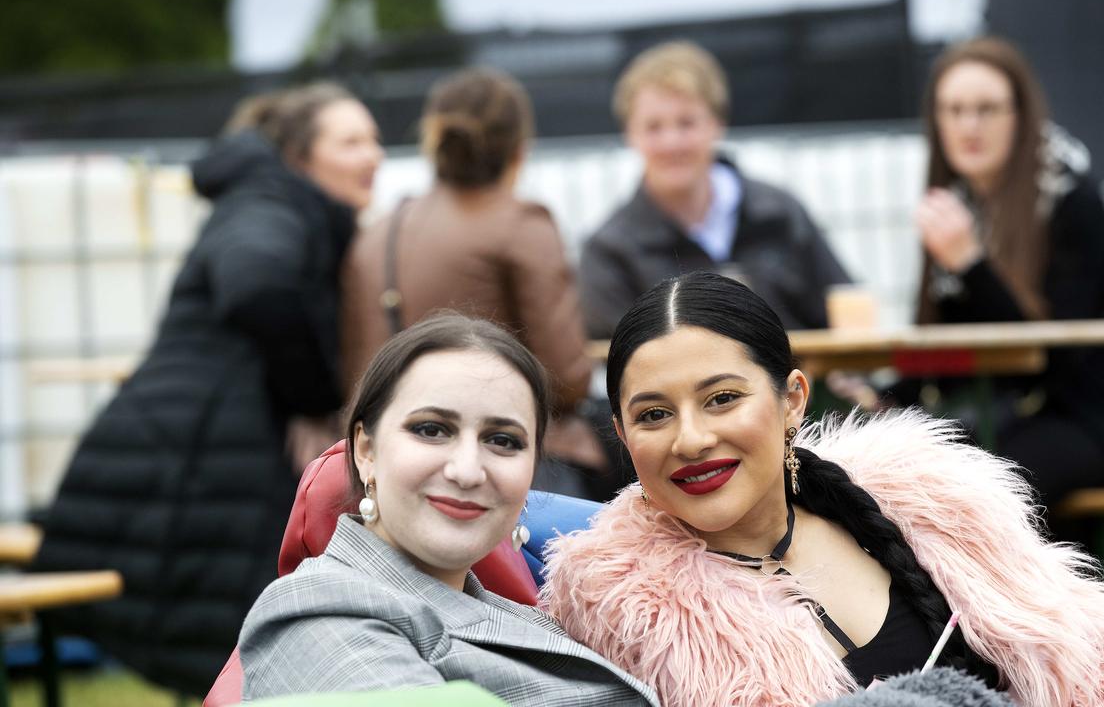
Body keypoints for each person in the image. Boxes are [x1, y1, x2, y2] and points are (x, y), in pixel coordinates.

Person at [540, 271, 1104, 707]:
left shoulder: (932, 503)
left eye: (722, 399)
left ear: (792, 400)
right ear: (624, 436)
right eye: (654, 415)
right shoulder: (616, 611)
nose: (690, 439)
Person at [32, 82, 383, 695]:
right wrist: (312, 397)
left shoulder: (287, 204)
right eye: (351, 141)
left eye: (376, 139)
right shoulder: (272, 199)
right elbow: (257, 286)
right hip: (198, 451)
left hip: (200, 443)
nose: (373, 155)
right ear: (299, 155)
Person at [238, 313, 659, 706]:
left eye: (503, 440)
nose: (467, 471)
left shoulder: (531, 609)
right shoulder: (317, 610)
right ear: (366, 450)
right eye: (431, 430)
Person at [904, 36, 1104, 539]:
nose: (968, 126)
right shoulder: (957, 204)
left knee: (982, 488)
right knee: (896, 474)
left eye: (987, 109)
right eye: (953, 110)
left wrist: (971, 264)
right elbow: (949, 348)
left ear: (1021, 115)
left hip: (1083, 422)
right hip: (995, 418)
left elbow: (1056, 359)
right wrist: (888, 394)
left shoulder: (1071, 200)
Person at [340, 67, 609, 497]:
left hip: (389, 475)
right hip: (509, 473)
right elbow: (565, 378)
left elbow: (357, 374)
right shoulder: (522, 223)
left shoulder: (377, 235)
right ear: (519, 148)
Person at [578, 40, 852, 339]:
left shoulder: (782, 213)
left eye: (687, 123)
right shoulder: (610, 252)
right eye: (653, 127)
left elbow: (843, 310)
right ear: (629, 134)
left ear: (717, 123)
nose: (672, 142)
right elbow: (621, 365)